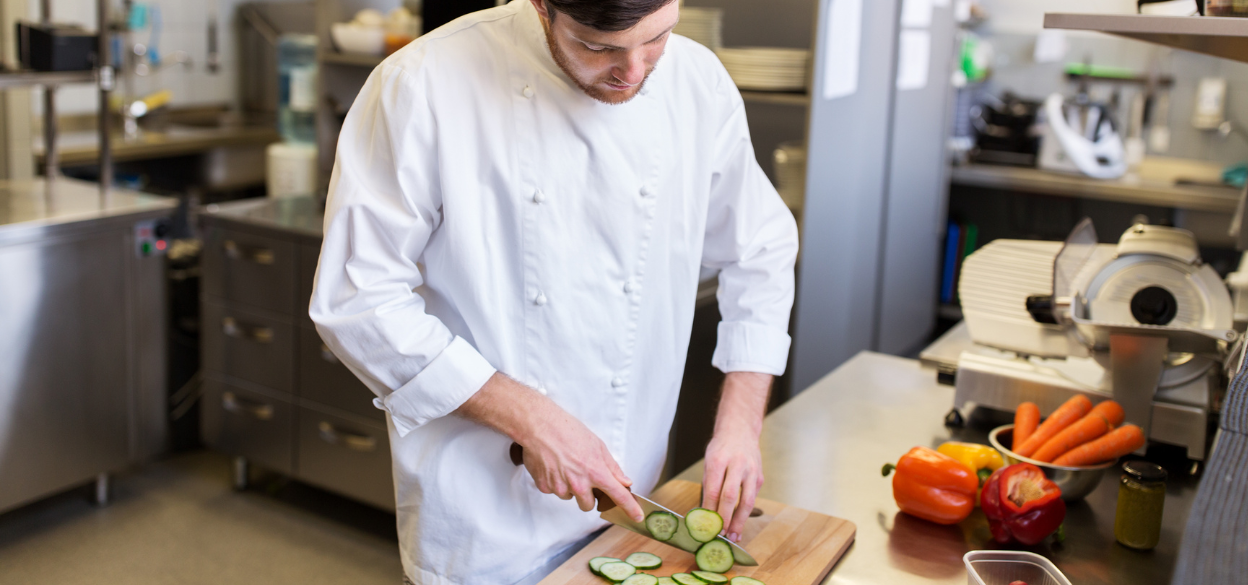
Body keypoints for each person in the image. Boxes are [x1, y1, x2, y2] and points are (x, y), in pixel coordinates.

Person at [309, 0, 798, 582]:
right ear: (543, 8)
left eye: (658, 38)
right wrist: (531, 419)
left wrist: (740, 427)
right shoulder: (421, 84)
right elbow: (357, 300)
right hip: (484, 520)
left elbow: (759, 247)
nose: (635, 71)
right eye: (599, 47)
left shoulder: (698, 82)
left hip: (632, 500)